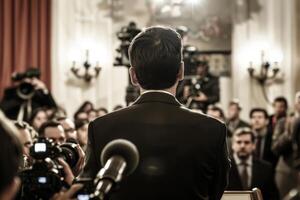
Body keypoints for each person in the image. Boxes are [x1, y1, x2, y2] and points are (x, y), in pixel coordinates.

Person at [82, 26, 230, 200]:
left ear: (133, 75)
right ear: (181, 71)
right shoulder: (213, 129)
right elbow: (215, 192)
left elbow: (91, 191)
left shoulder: (100, 127)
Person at [227, 128, 279, 200]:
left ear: (253, 145)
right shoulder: (223, 168)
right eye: (239, 142)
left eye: (247, 142)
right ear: (232, 145)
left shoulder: (266, 168)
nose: (242, 146)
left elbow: (273, 196)